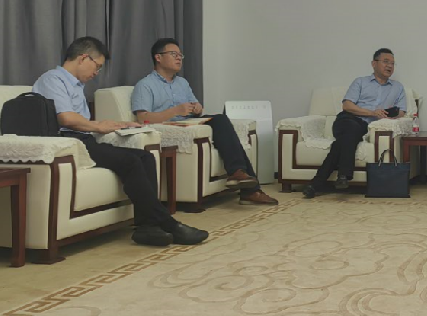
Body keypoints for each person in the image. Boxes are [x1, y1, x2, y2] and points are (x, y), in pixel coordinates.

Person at [33, 37, 208, 247]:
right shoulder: (53, 79)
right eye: (97, 66)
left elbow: (83, 121)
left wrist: (119, 124)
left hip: (83, 140)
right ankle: (168, 224)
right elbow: (66, 118)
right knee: (130, 162)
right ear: (83, 58)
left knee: (144, 157)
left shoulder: (76, 85)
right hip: (67, 143)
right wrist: (99, 125)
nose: (96, 73)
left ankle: (147, 228)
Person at [131, 38, 277, 206]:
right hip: (169, 128)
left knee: (220, 120)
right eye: (173, 54)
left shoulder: (182, 83)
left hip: (190, 123)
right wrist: (175, 111)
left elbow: (196, 106)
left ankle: (239, 174)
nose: (179, 58)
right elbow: (143, 118)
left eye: (180, 55)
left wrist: (197, 108)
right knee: (221, 126)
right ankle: (250, 189)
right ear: (158, 57)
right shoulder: (145, 85)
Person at [302, 48, 407, 198]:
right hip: (347, 119)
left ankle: (316, 184)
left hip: (366, 127)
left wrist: (390, 115)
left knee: (342, 142)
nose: (390, 66)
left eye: (392, 63)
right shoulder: (360, 82)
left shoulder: (397, 87)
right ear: (374, 64)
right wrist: (372, 113)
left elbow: (402, 112)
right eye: (386, 62)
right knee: (351, 129)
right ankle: (344, 175)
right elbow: (347, 105)